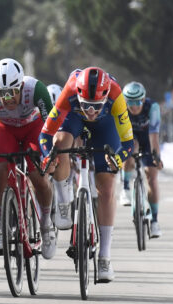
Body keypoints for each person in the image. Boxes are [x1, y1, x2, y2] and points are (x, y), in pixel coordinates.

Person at [39, 67, 133, 282]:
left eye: (97, 106)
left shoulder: (116, 95)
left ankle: (104, 257)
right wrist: (48, 156)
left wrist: (117, 159)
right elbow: (45, 134)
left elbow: (128, 142)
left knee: (107, 187)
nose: (91, 111)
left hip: (105, 127)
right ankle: (64, 201)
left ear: (106, 97)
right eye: (86, 105)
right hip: (73, 119)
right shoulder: (70, 90)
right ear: (78, 96)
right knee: (60, 145)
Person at [0, 58, 57, 260]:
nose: (7, 98)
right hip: (4, 129)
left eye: (12, 91)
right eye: (2, 93)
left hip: (34, 127)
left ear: (21, 85)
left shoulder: (36, 89)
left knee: (38, 176)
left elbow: (51, 127)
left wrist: (50, 155)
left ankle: (46, 225)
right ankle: (2, 227)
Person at [120, 81, 162, 237]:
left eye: (137, 102)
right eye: (130, 102)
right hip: (130, 137)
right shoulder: (121, 108)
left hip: (148, 138)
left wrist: (156, 157)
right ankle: (125, 188)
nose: (134, 107)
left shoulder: (152, 107)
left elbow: (154, 135)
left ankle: (155, 221)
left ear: (143, 99)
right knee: (132, 148)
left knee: (152, 178)